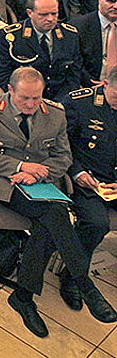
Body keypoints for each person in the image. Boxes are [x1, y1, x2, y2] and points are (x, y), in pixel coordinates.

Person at [0, 67, 117, 337]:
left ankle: (23, 297)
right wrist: (20, 166)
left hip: (44, 183)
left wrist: (41, 170)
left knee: (47, 223)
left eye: (36, 99)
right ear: (10, 91)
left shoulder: (55, 114)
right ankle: (83, 283)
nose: (31, 105)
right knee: (55, 214)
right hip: (8, 181)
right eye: (24, 98)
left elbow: (63, 157)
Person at [61, 70, 117, 310]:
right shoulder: (79, 104)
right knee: (96, 223)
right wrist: (77, 172)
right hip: (88, 178)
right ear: (105, 84)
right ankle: (72, 274)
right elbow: (59, 143)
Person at [0, 0, 81, 100]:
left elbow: (74, 75)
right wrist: (28, 98)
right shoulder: (11, 37)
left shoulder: (69, 36)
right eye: (43, 14)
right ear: (30, 13)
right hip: (22, 98)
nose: (50, 19)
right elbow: (1, 74)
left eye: (54, 14)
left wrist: (62, 101)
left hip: (60, 100)